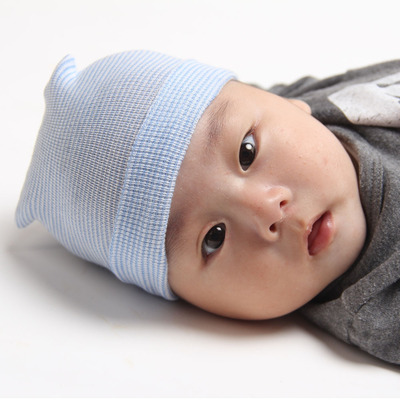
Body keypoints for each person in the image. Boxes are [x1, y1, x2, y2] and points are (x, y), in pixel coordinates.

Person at [16, 50, 400, 365]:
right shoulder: (381, 310)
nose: (266, 210)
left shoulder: (309, 106)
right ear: (200, 306)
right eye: (213, 239)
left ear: (287, 104)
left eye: (247, 152)